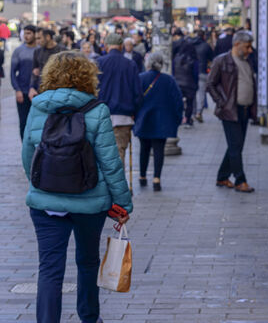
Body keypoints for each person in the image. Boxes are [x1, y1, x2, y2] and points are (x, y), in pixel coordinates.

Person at [21, 51, 132, 323]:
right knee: (87, 262)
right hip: (89, 201)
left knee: (49, 269)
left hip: (46, 203)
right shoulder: (97, 109)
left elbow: (27, 154)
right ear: (87, 76)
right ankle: (89, 318)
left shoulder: (38, 106)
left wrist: (40, 184)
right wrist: (123, 203)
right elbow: (110, 163)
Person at [207, 30, 256, 193]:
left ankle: (222, 176)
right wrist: (221, 102)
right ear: (237, 44)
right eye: (247, 47)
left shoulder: (247, 61)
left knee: (236, 145)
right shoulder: (222, 61)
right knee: (235, 146)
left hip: (245, 109)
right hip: (230, 111)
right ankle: (240, 180)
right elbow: (210, 84)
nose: (250, 50)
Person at [133, 53, 183, 191]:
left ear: (148, 63)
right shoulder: (169, 80)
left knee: (144, 148)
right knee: (158, 149)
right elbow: (177, 101)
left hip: (144, 119)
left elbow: (135, 99)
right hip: (163, 121)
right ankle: (156, 179)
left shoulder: (140, 78)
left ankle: (142, 176)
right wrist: (177, 119)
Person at [97, 33, 142, 166]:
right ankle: (117, 186)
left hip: (101, 115)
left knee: (102, 154)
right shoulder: (130, 64)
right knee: (119, 153)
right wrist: (135, 113)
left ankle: (105, 185)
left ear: (106, 46)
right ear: (121, 46)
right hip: (124, 116)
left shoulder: (99, 63)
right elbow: (137, 92)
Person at [10, 24, 37, 139]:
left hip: (37, 93)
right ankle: (25, 149)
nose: (26, 36)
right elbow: (12, 72)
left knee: (36, 123)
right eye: (25, 33)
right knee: (23, 123)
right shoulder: (18, 51)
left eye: (29, 33)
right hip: (23, 92)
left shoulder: (40, 51)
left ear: (35, 34)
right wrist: (17, 90)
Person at [172, 29, 198, 128]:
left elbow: (173, 71)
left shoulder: (175, 60)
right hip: (190, 83)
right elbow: (195, 73)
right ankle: (187, 120)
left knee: (178, 102)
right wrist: (196, 84)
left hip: (178, 83)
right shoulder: (193, 61)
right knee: (190, 102)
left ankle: (179, 119)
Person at [28, 29, 62, 101]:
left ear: (48, 37)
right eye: (36, 38)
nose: (37, 41)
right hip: (41, 92)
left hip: (58, 93)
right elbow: (34, 71)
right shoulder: (37, 51)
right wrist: (31, 88)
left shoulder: (63, 51)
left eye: (39, 38)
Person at [190, 29, 214, 122]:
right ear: (203, 36)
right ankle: (199, 112)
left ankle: (193, 112)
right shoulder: (206, 45)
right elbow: (211, 58)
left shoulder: (190, 44)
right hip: (202, 71)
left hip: (192, 71)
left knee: (193, 93)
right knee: (201, 93)